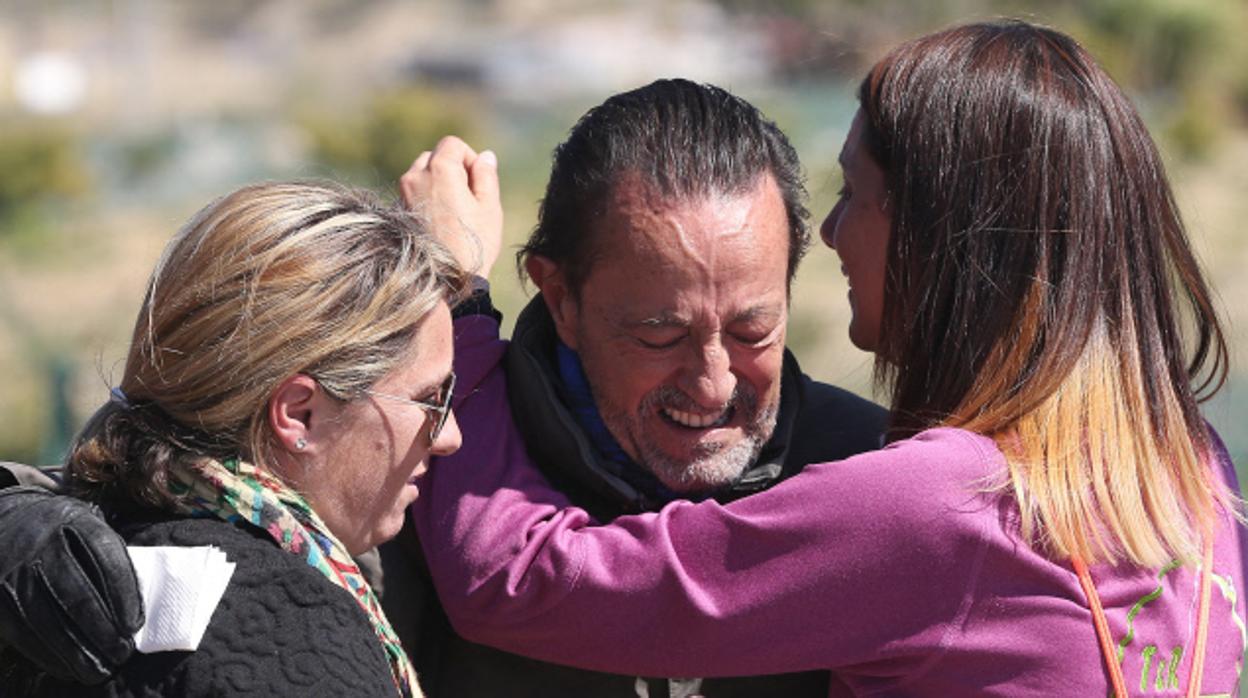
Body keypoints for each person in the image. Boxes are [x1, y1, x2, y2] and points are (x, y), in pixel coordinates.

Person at [408, 21, 1248, 696]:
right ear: (558, 295)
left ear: (944, 244)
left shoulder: (938, 507)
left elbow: (517, 580)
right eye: (661, 334)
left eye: (855, 193)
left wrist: (461, 301)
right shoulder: (1197, 471)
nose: (835, 233)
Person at [387, 79, 888, 697]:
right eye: (660, 336)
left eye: (751, 331)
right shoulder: (408, 484)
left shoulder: (871, 469)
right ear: (561, 298)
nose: (712, 387)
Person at [0, 181, 467, 697]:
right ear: (300, 415)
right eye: (430, 400)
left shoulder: (91, 540)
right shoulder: (297, 639)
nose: (449, 435)